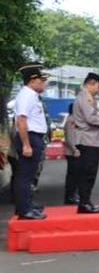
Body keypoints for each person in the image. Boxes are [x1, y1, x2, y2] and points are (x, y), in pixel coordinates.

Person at [70, 72, 99, 214]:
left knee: (89, 172)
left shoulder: (86, 97)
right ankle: (84, 203)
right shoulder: (85, 97)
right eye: (98, 86)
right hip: (88, 139)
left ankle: (86, 202)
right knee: (88, 173)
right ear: (92, 83)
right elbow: (90, 118)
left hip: (90, 139)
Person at [11, 64, 50, 219]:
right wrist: (26, 144)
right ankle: (24, 209)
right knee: (24, 175)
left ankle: (27, 204)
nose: (44, 83)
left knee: (29, 174)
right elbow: (21, 120)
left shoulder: (31, 95)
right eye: (42, 80)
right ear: (32, 80)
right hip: (29, 137)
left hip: (34, 137)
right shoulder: (26, 95)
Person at [62, 102, 81, 205]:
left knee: (75, 175)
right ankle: (70, 196)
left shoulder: (74, 119)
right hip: (72, 152)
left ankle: (73, 195)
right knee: (73, 176)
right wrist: (75, 149)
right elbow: (69, 137)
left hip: (73, 151)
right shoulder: (71, 120)